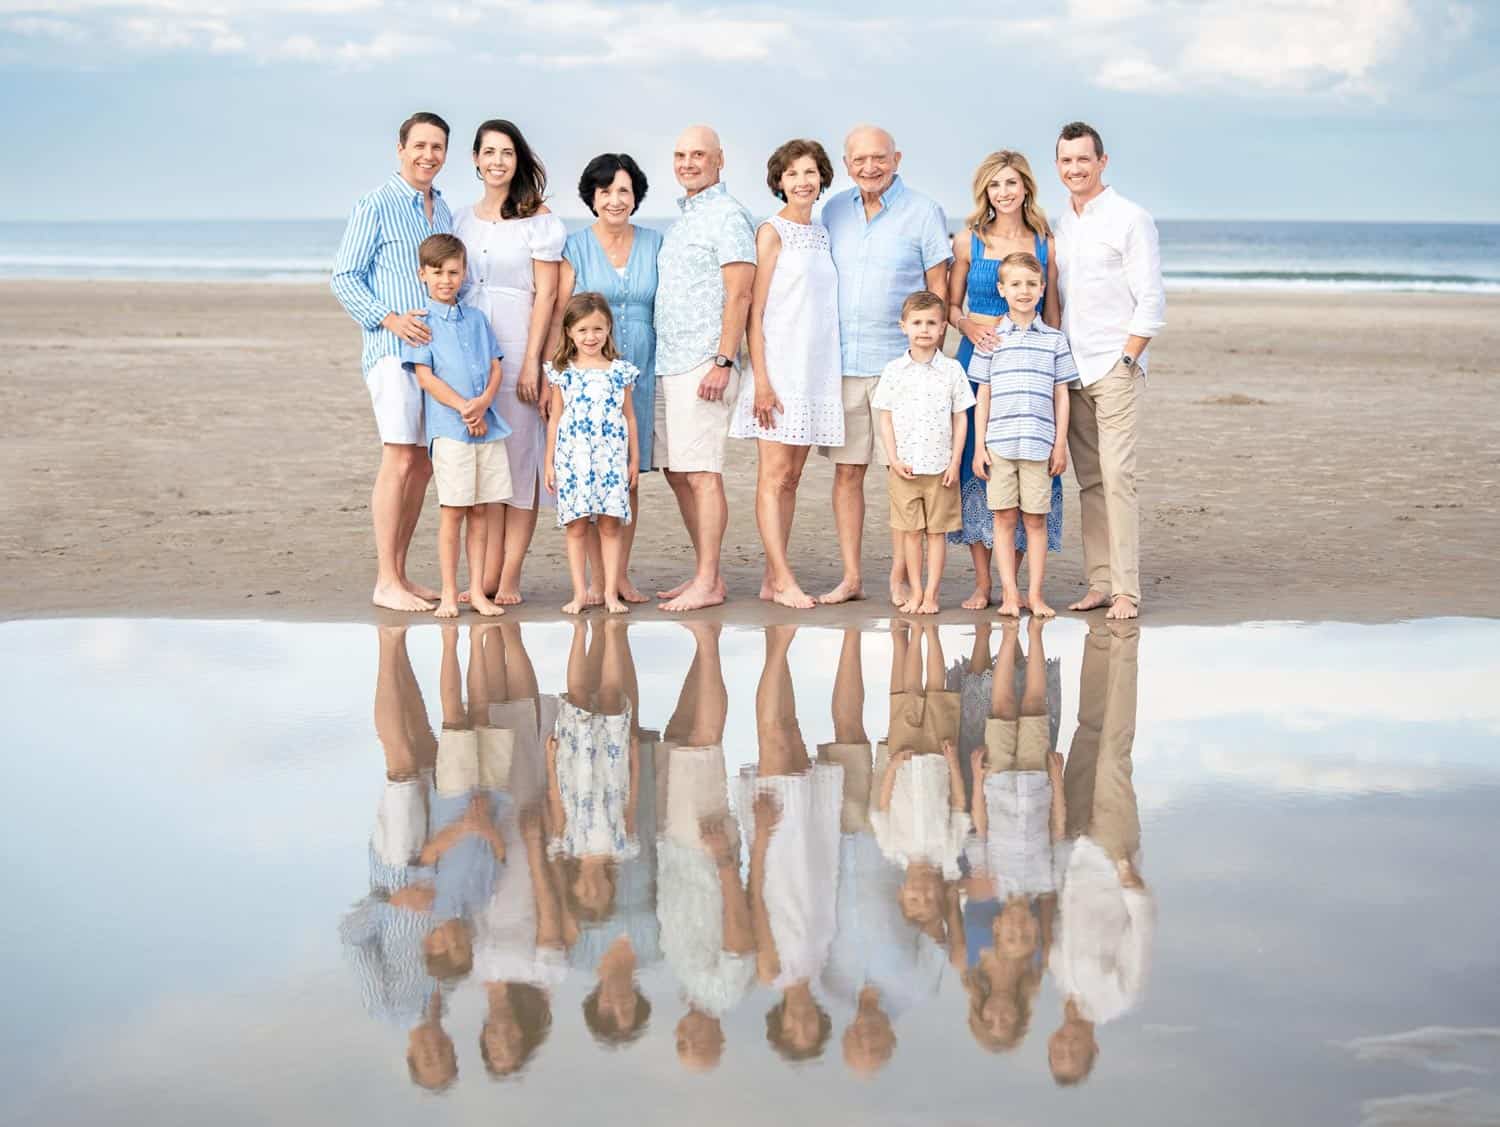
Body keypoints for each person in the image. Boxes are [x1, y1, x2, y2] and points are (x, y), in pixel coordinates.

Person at [821, 125, 953, 606]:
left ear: (897, 158)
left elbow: (938, 285)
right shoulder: (833, 210)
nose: (869, 168)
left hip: (903, 368)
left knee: (907, 474)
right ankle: (852, 576)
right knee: (848, 473)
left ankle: (902, 574)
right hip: (846, 365)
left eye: (879, 158)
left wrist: (932, 359)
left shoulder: (924, 212)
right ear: (847, 161)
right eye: (859, 160)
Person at [331, 110, 454, 613]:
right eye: (420, 145)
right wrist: (390, 319)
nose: (428, 155)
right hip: (392, 354)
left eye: (437, 147)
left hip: (436, 358)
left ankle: (401, 574)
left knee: (423, 465)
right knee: (399, 457)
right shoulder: (376, 203)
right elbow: (344, 276)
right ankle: (385, 579)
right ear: (400, 149)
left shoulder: (443, 210)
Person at [1053, 121, 1167, 621]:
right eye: (1066, 161)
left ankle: (1127, 590)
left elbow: (1152, 298)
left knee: (1119, 475)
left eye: (1083, 159)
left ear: (1102, 162)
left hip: (1113, 366)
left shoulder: (1130, 218)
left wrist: (1128, 359)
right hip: (1072, 368)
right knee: (1092, 481)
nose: (1074, 168)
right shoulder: (1061, 225)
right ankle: (1100, 581)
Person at [453, 119, 567, 607]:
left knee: (519, 464)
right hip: (469, 352)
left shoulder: (539, 220)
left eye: (507, 152)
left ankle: (511, 575)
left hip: (519, 343)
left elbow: (547, 298)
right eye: (489, 152)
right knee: (481, 465)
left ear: (518, 160)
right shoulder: (459, 219)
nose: (498, 160)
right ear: (476, 159)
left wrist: (535, 366)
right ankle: (482, 577)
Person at [730, 138, 844, 610]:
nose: (802, 181)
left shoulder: (822, 233)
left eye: (811, 172)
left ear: (822, 179)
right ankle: (782, 577)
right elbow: (754, 314)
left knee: (793, 478)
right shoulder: (770, 232)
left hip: (814, 370)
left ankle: (769, 576)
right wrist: (761, 380)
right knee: (773, 476)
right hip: (777, 372)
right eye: (793, 173)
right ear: (779, 181)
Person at [947, 151, 1063, 610]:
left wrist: (1056, 372)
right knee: (980, 467)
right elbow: (950, 307)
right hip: (977, 364)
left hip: (1031, 366)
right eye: (995, 185)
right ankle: (983, 583)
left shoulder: (1044, 244)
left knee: (1026, 462)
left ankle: (1018, 584)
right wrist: (968, 326)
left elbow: (1053, 312)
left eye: (1011, 183)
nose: (1004, 192)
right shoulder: (967, 241)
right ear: (985, 192)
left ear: (1026, 187)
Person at [652, 125, 757, 612]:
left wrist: (722, 359)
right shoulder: (685, 218)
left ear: (720, 159)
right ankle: (702, 572)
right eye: (680, 154)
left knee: (702, 473)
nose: (688, 162)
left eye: (698, 154)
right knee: (679, 471)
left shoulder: (728, 216)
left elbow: (740, 293)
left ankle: (710, 580)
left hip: (704, 362)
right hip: (670, 360)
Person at [1048, 620, 1152, 1085]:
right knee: (1114, 752)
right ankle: (1125, 646)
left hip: (1073, 845)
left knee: (1086, 733)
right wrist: (1130, 882)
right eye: (1074, 1052)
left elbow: (1058, 913)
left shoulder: (1061, 983)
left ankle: (1099, 638)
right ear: (1093, 1048)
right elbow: (1142, 933)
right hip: (1112, 856)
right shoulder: (1117, 999)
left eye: (1058, 1051)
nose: (1065, 1044)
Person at [556, 153, 663, 605]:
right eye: (606, 191)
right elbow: (561, 314)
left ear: (635, 195)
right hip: (586, 376)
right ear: (592, 197)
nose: (615, 199)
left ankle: (618, 577)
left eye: (623, 190)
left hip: (642, 364)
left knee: (627, 474)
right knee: (591, 473)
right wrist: (552, 377)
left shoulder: (656, 242)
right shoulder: (575, 247)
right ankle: (598, 583)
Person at [735, 626, 843, 1064]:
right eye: (810, 1031)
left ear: (779, 1025)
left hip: (777, 851)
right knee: (791, 732)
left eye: (793, 1031)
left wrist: (760, 838)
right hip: (811, 848)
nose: (802, 1024)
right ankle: (775, 642)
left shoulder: (770, 973)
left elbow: (755, 904)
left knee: (773, 739)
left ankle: (778, 643)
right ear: (819, 1022)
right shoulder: (820, 969)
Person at [656, 623, 756, 1071]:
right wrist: (725, 863)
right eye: (691, 1047)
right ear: (716, 1040)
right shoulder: (725, 993)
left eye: (680, 1046)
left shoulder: (692, 990)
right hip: (703, 852)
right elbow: (738, 934)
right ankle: (710, 643)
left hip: (679, 850)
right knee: (703, 745)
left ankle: (703, 646)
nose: (682, 1038)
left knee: (678, 736)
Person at [401, 234, 511, 619]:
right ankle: (449, 593)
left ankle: (477, 591)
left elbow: (497, 365)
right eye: (437, 272)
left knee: (483, 510)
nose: (446, 279)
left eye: (453, 271)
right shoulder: (422, 323)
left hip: (488, 427)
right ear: (423, 274)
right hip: (450, 430)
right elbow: (426, 377)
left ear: (464, 273)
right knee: (454, 511)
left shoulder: (478, 319)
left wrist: (483, 405)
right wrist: (465, 407)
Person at [971, 252, 1077, 618]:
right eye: (1015, 284)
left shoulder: (1054, 340)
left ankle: (1035, 594)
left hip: (1039, 444)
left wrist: (1059, 444)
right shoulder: (990, 340)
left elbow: (1061, 394)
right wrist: (979, 447)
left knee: (1035, 520)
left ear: (1043, 288)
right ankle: (1010, 595)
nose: (1024, 290)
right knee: (1003, 519)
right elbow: (982, 393)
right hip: (999, 444)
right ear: (1001, 289)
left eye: (1032, 284)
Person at [871, 291, 975, 615]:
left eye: (931, 322)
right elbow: (885, 417)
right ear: (904, 326)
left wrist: (956, 462)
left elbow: (961, 417)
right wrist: (893, 458)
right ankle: (914, 590)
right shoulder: (894, 370)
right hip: (905, 468)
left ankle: (932, 593)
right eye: (917, 322)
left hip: (941, 467)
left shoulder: (952, 370)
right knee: (911, 533)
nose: (924, 329)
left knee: (936, 533)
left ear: (943, 327)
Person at [543, 293, 640, 615]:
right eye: (583, 330)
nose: (591, 337)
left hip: (611, 459)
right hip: (574, 460)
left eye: (598, 329)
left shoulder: (620, 371)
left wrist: (634, 460)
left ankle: (611, 593)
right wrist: (550, 463)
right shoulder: (562, 372)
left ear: (609, 328)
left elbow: (630, 417)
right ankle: (580, 593)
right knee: (577, 526)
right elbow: (555, 419)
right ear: (569, 331)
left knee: (611, 526)